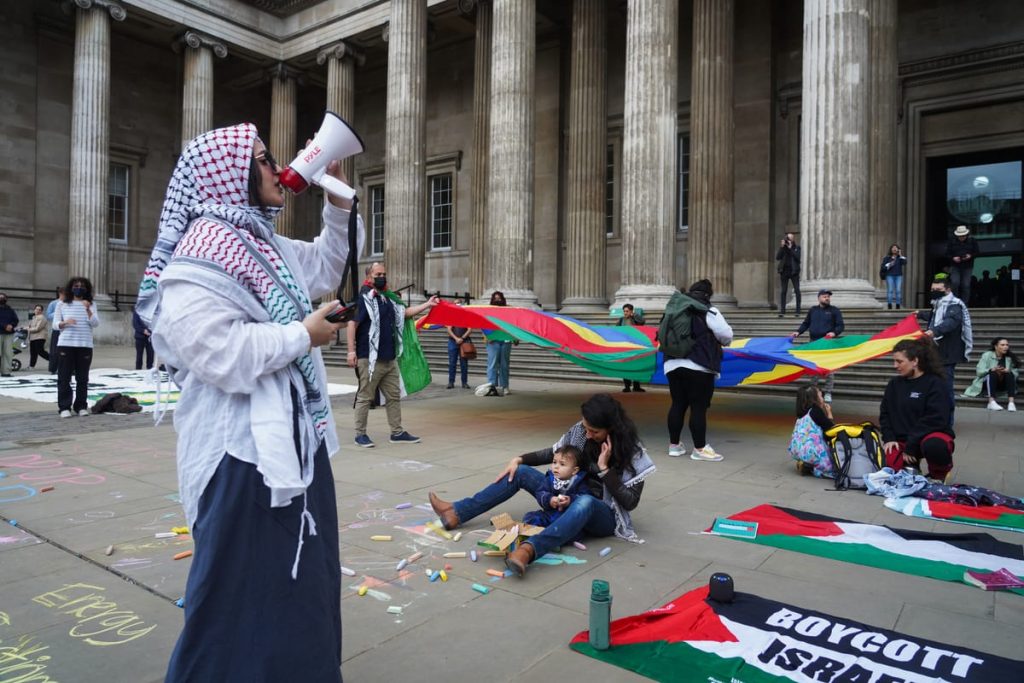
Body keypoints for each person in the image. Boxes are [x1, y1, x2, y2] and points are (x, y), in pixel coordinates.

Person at [141, 124, 362, 683]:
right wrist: (301, 336)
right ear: (230, 174)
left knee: (303, 586)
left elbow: (324, 265)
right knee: (236, 595)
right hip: (241, 454)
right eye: (263, 160)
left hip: (291, 445)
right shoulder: (203, 251)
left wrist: (336, 196)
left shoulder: (260, 241)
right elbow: (216, 352)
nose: (276, 167)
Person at [427, 393, 654, 577]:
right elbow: (553, 452)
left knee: (586, 502)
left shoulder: (633, 453)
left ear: (611, 429)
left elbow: (630, 502)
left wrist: (605, 470)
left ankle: (528, 551)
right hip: (566, 493)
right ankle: (456, 513)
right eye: (586, 428)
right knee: (521, 473)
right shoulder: (582, 432)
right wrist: (520, 459)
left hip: (602, 514)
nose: (587, 434)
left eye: (594, 431)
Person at [346, 262, 438, 448]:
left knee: (393, 396)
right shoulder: (363, 298)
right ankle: (360, 434)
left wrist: (427, 304)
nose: (382, 277)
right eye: (378, 274)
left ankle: (397, 432)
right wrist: (351, 350)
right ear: (369, 276)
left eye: (384, 274)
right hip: (369, 357)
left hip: (389, 357)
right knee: (365, 396)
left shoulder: (386, 298)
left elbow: (404, 314)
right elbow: (351, 324)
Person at [661, 279, 734, 461]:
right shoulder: (708, 309)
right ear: (708, 295)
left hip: (672, 364)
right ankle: (700, 449)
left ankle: (674, 446)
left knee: (677, 404)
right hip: (698, 365)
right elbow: (726, 335)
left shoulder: (675, 309)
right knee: (698, 407)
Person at [879, 339, 955, 483]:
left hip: (927, 437)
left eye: (899, 361)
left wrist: (911, 444)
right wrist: (889, 438)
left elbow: (936, 419)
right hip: (902, 440)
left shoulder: (936, 384)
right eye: (894, 361)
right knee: (892, 469)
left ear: (915, 361)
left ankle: (939, 475)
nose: (895, 366)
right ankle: (912, 467)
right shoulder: (894, 384)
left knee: (935, 445)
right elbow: (885, 414)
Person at [918, 276, 972, 423]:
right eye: (932, 290)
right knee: (933, 388)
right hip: (935, 353)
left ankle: (947, 423)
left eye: (938, 290)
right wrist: (919, 314)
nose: (934, 292)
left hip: (946, 355)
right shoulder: (938, 304)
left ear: (948, 289)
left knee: (945, 390)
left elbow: (950, 322)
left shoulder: (955, 305)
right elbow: (935, 316)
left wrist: (934, 331)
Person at [53, 278, 99, 415]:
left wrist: (88, 309)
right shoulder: (62, 304)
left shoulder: (91, 304)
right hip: (66, 344)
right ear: (71, 288)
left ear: (87, 289)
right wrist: (64, 323)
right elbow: (54, 324)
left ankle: (81, 406)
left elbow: (95, 323)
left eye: (82, 286)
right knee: (64, 377)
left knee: (83, 378)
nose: (79, 288)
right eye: (76, 286)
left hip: (84, 345)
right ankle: (64, 407)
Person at [790, 289, 845, 403]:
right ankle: (813, 390)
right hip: (814, 342)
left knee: (829, 368)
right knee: (814, 367)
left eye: (828, 297)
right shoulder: (813, 310)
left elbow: (840, 326)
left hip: (827, 343)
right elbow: (806, 323)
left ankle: (828, 392)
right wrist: (798, 332)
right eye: (825, 296)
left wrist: (834, 333)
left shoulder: (834, 310)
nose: (827, 298)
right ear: (819, 298)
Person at [521, 444, 590, 527]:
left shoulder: (578, 481)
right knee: (530, 517)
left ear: (574, 470)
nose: (556, 467)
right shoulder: (550, 479)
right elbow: (541, 492)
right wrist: (550, 499)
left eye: (562, 464)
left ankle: (557, 533)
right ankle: (538, 531)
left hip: (569, 517)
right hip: (550, 514)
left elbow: (585, 497)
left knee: (573, 527)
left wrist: (570, 500)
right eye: (554, 462)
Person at [789, 384, 835, 478]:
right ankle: (813, 467)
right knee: (833, 468)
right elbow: (831, 429)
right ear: (814, 398)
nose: (822, 398)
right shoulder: (816, 411)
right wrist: (829, 414)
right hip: (812, 451)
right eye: (820, 396)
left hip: (798, 449)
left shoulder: (802, 412)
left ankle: (806, 464)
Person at [964, 337, 1019, 411]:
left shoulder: (1009, 357)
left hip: (1002, 385)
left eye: (1007, 345)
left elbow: (1016, 374)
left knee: (1009, 373)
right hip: (987, 383)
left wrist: (1007, 370)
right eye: (1002, 345)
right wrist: (991, 369)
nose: (1005, 347)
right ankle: (991, 402)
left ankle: (1011, 403)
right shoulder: (987, 355)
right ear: (996, 346)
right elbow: (979, 372)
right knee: (993, 373)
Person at [483, 290, 514, 396]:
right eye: (495, 298)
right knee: (492, 364)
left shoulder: (509, 310)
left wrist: (515, 338)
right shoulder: (488, 310)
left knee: (504, 365)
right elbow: (483, 323)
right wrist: (488, 336)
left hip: (505, 340)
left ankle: (504, 386)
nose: (497, 300)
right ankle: (492, 386)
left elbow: (514, 324)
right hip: (493, 341)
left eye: (499, 298)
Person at [944, 225, 979, 304]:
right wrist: (953, 258)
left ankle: (964, 304)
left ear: (966, 235)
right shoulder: (952, 242)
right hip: (955, 266)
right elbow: (947, 254)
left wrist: (970, 256)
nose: (962, 237)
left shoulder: (972, 241)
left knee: (966, 285)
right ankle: (955, 302)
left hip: (967, 266)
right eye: (960, 236)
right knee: (955, 283)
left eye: (963, 236)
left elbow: (977, 252)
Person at [617, 303, 646, 392]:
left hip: (635, 346)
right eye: (624, 311)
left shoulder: (635, 319)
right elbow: (616, 330)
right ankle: (627, 386)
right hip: (625, 346)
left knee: (636, 366)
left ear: (631, 311)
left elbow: (642, 322)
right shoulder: (621, 320)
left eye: (627, 311)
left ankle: (637, 386)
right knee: (626, 366)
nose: (625, 313)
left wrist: (635, 315)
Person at [445, 300, 473, 389]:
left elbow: (469, 329)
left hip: (464, 342)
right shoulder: (451, 316)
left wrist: (462, 338)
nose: (458, 304)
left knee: (464, 363)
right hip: (453, 341)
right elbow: (449, 330)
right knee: (452, 363)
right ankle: (451, 382)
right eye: (456, 303)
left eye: (459, 303)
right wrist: (456, 338)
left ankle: (464, 382)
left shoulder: (466, 315)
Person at [775, 232, 801, 318]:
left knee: (797, 290)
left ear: (793, 240)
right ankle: (782, 311)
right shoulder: (784, 248)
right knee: (783, 291)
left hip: (794, 271)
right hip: (784, 271)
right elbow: (778, 257)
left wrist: (790, 248)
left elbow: (797, 258)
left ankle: (797, 310)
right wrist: (782, 247)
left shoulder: (797, 248)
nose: (788, 240)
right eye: (787, 239)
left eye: (790, 239)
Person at [879, 243, 907, 310]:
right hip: (889, 275)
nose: (894, 249)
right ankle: (889, 305)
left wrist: (900, 255)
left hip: (898, 276)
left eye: (896, 248)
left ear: (898, 249)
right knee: (890, 290)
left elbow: (904, 263)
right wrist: (889, 264)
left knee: (898, 290)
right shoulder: (887, 258)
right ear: (891, 249)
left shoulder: (900, 258)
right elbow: (883, 267)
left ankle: (898, 305)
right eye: (893, 247)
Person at [45, 286, 64, 374]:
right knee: (54, 350)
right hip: (56, 329)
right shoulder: (53, 303)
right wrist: (57, 313)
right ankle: (53, 368)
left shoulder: (70, 303)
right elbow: (48, 315)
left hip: (66, 329)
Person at [0, 293, 18, 377]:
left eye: (3, 298)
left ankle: (6, 371)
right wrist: (4, 326)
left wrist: (12, 325)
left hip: (8, 334)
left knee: (7, 353)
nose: (2, 299)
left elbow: (15, 319)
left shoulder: (10, 309)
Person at [27, 304, 50, 369]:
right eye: (36, 309)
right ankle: (31, 366)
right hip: (33, 337)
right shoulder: (34, 317)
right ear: (34, 310)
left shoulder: (42, 318)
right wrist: (23, 328)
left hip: (40, 337)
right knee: (33, 352)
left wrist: (28, 329)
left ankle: (53, 360)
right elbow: (30, 327)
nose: (38, 311)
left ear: (42, 311)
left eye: (39, 310)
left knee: (40, 351)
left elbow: (37, 328)